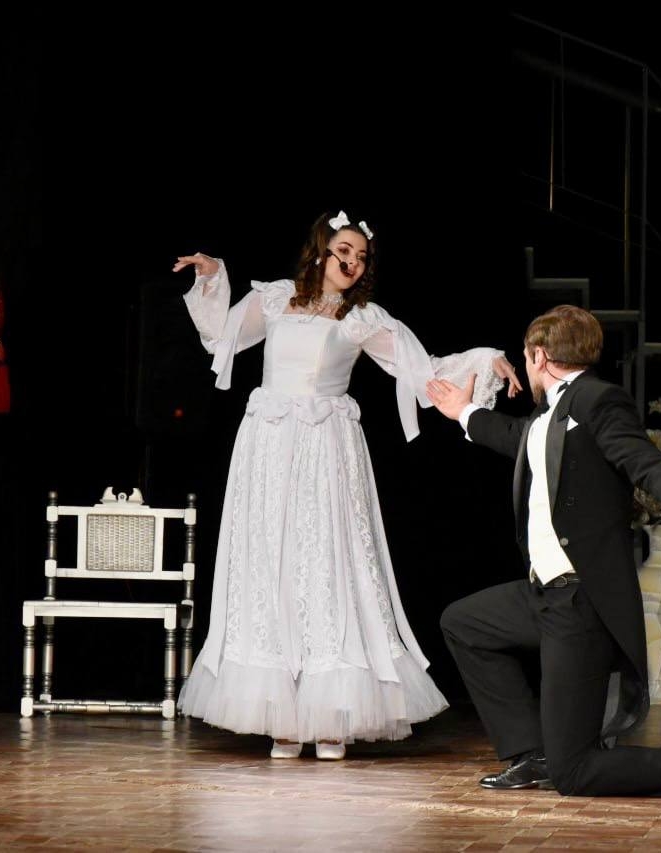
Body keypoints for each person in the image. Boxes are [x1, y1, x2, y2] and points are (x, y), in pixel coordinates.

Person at [425, 305, 661, 801]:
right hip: (546, 593)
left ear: (539, 356)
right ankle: (531, 754)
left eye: (525, 357)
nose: (525, 366)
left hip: (581, 603)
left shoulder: (597, 399)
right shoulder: (549, 415)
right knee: (465, 623)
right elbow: (516, 438)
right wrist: (464, 412)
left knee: (577, 772)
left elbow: (639, 457)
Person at [174, 210, 522, 761]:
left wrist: (484, 359)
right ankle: (282, 717)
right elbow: (221, 337)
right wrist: (214, 276)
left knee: (327, 564)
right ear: (320, 251)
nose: (352, 262)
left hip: (326, 449)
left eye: (361, 256)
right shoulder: (275, 298)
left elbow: (422, 370)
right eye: (344, 250)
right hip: (268, 446)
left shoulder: (362, 319)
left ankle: (332, 715)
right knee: (271, 564)